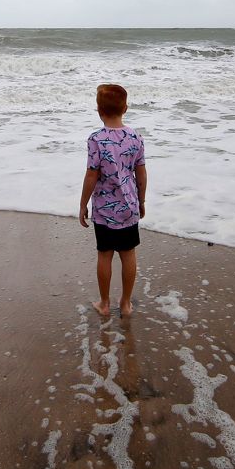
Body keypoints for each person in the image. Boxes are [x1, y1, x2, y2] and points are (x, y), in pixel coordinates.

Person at [78, 83, 147, 318]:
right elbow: (141, 172)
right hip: (129, 206)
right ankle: (126, 303)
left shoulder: (96, 139)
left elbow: (91, 175)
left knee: (104, 254)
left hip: (104, 211)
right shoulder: (136, 137)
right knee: (128, 254)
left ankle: (105, 303)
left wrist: (82, 204)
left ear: (99, 110)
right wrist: (142, 200)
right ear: (125, 108)